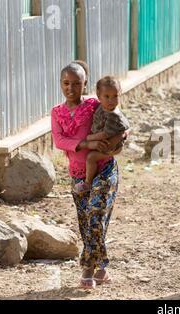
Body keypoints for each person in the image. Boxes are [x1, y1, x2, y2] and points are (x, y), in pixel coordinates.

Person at [51, 61, 128, 289]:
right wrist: (86, 141)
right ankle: (102, 266)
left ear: (85, 84)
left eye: (76, 83)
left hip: (104, 168)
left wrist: (121, 138)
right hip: (78, 174)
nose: (71, 88)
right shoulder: (57, 112)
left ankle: (88, 268)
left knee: (96, 214)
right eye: (66, 83)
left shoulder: (94, 104)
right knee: (86, 222)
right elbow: (59, 140)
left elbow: (117, 116)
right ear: (61, 83)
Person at [73, 76, 130, 194]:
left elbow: (105, 134)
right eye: (107, 96)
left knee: (91, 158)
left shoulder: (113, 115)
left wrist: (89, 138)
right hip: (108, 140)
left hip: (111, 145)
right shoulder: (103, 108)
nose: (111, 100)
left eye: (115, 96)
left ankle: (87, 183)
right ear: (99, 96)